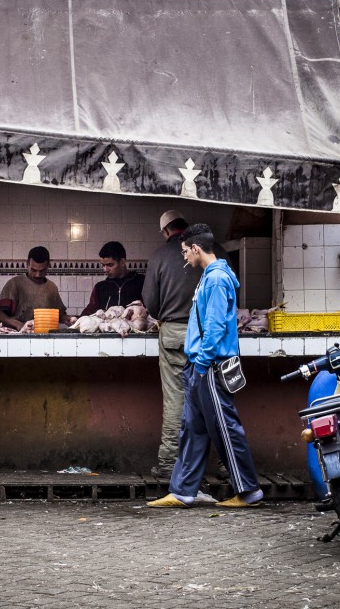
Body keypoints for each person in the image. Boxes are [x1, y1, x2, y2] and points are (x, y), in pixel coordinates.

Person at [147, 224, 263, 508]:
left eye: (186, 251)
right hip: (199, 365)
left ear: (196, 248)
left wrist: (201, 363)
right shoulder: (208, 276)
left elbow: (214, 328)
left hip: (211, 366)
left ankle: (248, 492)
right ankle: (183, 490)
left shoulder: (217, 279)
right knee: (192, 428)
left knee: (224, 427)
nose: (184, 257)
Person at [142, 210, 228, 479]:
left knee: (176, 400)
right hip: (210, 335)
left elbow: (150, 302)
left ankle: (169, 463)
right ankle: (227, 465)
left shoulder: (158, 256)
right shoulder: (218, 253)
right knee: (214, 400)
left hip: (174, 335)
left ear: (166, 231)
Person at [0, 246, 69, 331]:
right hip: (17, 337)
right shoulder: (14, 284)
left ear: (48, 265)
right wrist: (18, 324)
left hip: (43, 338)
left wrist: (69, 320)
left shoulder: (52, 287)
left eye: (42, 271)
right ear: (27, 264)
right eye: (33, 270)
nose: (38, 275)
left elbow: (60, 315)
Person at [80, 241, 145, 316]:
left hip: (136, 327)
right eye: (103, 265)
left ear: (122, 262)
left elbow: (150, 310)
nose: (105, 270)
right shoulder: (100, 287)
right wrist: (78, 320)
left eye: (110, 265)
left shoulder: (141, 282)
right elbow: (91, 309)